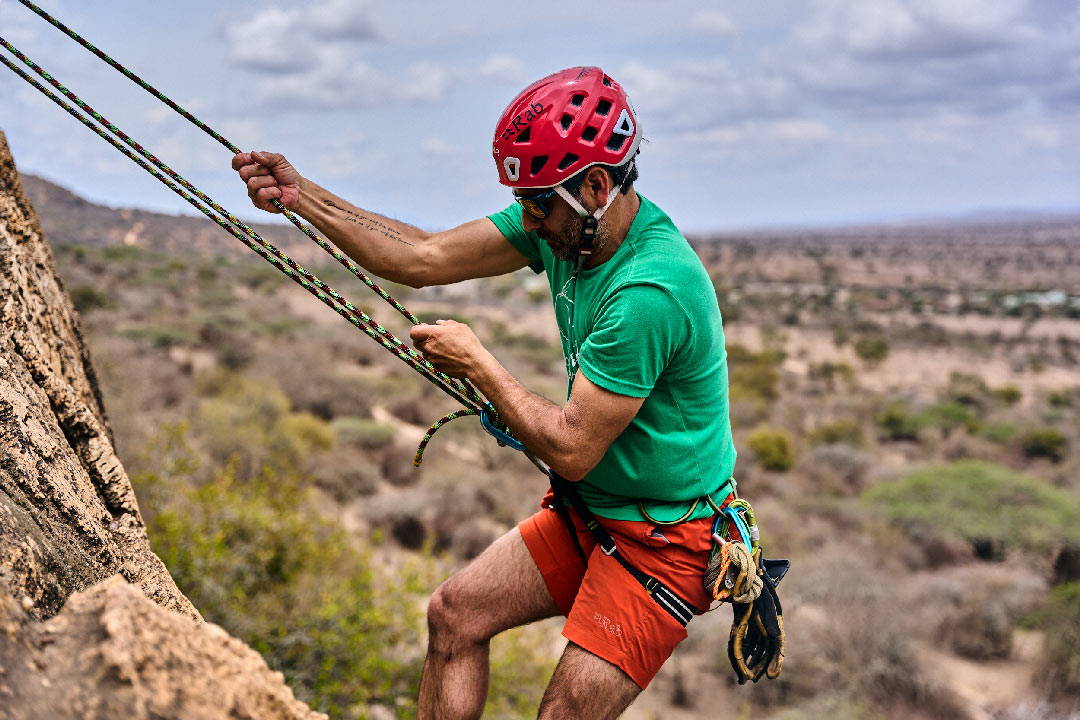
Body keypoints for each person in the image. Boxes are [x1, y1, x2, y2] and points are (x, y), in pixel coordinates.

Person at [233, 66, 737, 720]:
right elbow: (422, 257)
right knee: (454, 616)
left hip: (668, 540)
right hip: (600, 513)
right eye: (523, 199)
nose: (528, 217)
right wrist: (304, 198)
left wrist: (478, 364)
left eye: (539, 202)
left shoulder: (649, 290)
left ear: (595, 185)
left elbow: (574, 448)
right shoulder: (567, 223)